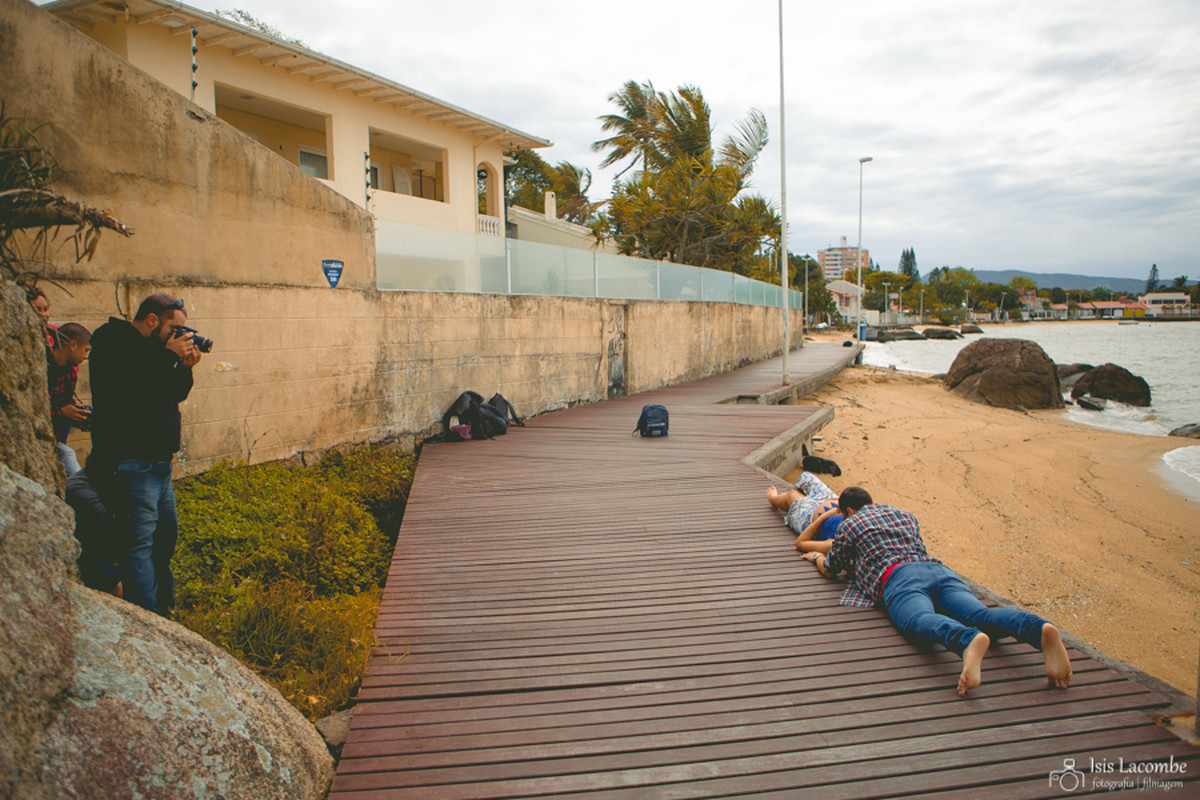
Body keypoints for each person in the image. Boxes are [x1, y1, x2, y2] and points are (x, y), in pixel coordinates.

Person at [803, 486, 1073, 696]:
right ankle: (1038, 629)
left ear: (848, 510)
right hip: (938, 571)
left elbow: (831, 568)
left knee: (917, 620)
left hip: (898, 577)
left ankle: (966, 641)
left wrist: (816, 558)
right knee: (982, 615)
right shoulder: (905, 514)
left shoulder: (850, 524)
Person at [87, 294, 201, 617]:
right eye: (174, 329)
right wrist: (167, 357)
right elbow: (131, 389)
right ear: (152, 320)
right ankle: (147, 618)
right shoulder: (113, 342)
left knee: (163, 542)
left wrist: (185, 367)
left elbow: (171, 392)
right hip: (132, 465)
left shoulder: (156, 352)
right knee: (138, 547)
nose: (180, 336)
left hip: (160, 467)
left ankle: (163, 606)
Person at [46, 322, 92, 476]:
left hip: (57, 435)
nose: (86, 357)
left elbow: (66, 401)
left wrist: (77, 413)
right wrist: (61, 412)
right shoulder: (43, 367)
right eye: (85, 350)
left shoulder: (71, 371)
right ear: (72, 345)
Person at [766, 471, 840, 545]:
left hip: (810, 518)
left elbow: (801, 543)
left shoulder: (845, 531)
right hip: (832, 501)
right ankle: (803, 500)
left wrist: (817, 556)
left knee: (792, 495)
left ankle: (773, 499)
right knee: (806, 477)